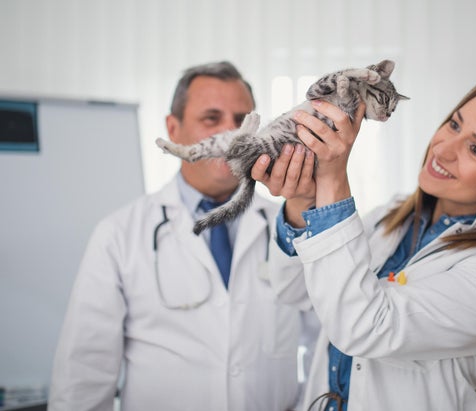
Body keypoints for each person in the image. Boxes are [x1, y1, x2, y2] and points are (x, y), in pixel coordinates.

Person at [251, 78, 476, 410]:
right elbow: (294, 290)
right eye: (454, 124)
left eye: (475, 149)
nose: (443, 149)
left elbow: (364, 327)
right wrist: (302, 201)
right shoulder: (393, 217)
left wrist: (332, 180)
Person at [49, 61, 314, 411]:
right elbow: (84, 373)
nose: (232, 133)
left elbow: (323, 343)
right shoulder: (119, 234)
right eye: (211, 119)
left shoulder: (292, 224)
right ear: (173, 129)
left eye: (241, 120)